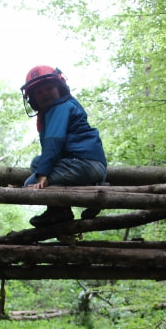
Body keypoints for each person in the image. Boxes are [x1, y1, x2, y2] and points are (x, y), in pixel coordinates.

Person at [20, 65, 107, 227]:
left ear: (59, 87)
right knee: (36, 163)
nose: (44, 93)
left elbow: (54, 141)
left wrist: (43, 174)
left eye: (48, 88)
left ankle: (60, 211)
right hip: (88, 164)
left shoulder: (59, 108)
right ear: (33, 98)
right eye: (39, 92)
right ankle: (64, 207)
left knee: (29, 184)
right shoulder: (66, 106)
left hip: (83, 164)